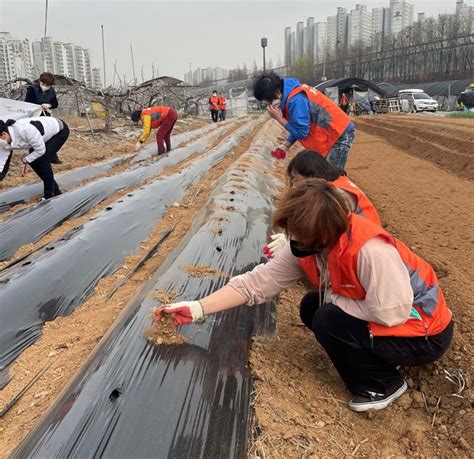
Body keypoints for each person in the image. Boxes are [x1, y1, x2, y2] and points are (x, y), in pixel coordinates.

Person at [156, 179, 453, 413]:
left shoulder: (370, 250)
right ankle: (376, 358)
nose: (294, 242)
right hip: (392, 318)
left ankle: (384, 382)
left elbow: (392, 314)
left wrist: (336, 301)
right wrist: (197, 308)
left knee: (327, 316)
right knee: (312, 305)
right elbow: (258, 283)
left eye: (302, 236)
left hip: (424, 333)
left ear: (326, 232)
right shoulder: (308, 245)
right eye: (292, 234)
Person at [264, 149, 381, 258]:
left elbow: (321, 228)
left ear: (310, 175)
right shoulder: (333, 184)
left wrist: (289, 240)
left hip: (365, 245)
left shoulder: (335, 195)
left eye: (295, 179)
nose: (293, 186)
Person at [253, 71, 355, 169]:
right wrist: (286, 145)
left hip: (339, 133)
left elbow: (302, 133)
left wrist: (280, 119)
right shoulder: (293, 93)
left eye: (269, 101)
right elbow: (298, 124)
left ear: (278, 92)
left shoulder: (296, 100)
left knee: (331, 175)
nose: (269, 105)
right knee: (322, 172)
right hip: (333, 131)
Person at [0, 117, 69, 199]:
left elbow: (40, 150)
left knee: (43, 159)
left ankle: (49, 194)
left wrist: (26, 159)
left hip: (59, 131)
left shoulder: (25, 130)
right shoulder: (4, 142)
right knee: (33, 160)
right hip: (38, 139)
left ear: (4, 134)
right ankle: (55, 190)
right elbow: (2, 162)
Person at [24, 72, 61, 164]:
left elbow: (55, 104)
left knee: (49, 135)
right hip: (34, 116)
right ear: (40, 81)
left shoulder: (51, 91)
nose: (45, 86)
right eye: (44, 84)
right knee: (35, 136)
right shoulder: (32, 89)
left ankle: (52, 156)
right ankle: (34, 157)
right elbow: (27, 102)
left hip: (46, 116)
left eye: (48, 85)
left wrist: (49, 105)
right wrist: (38, 106)